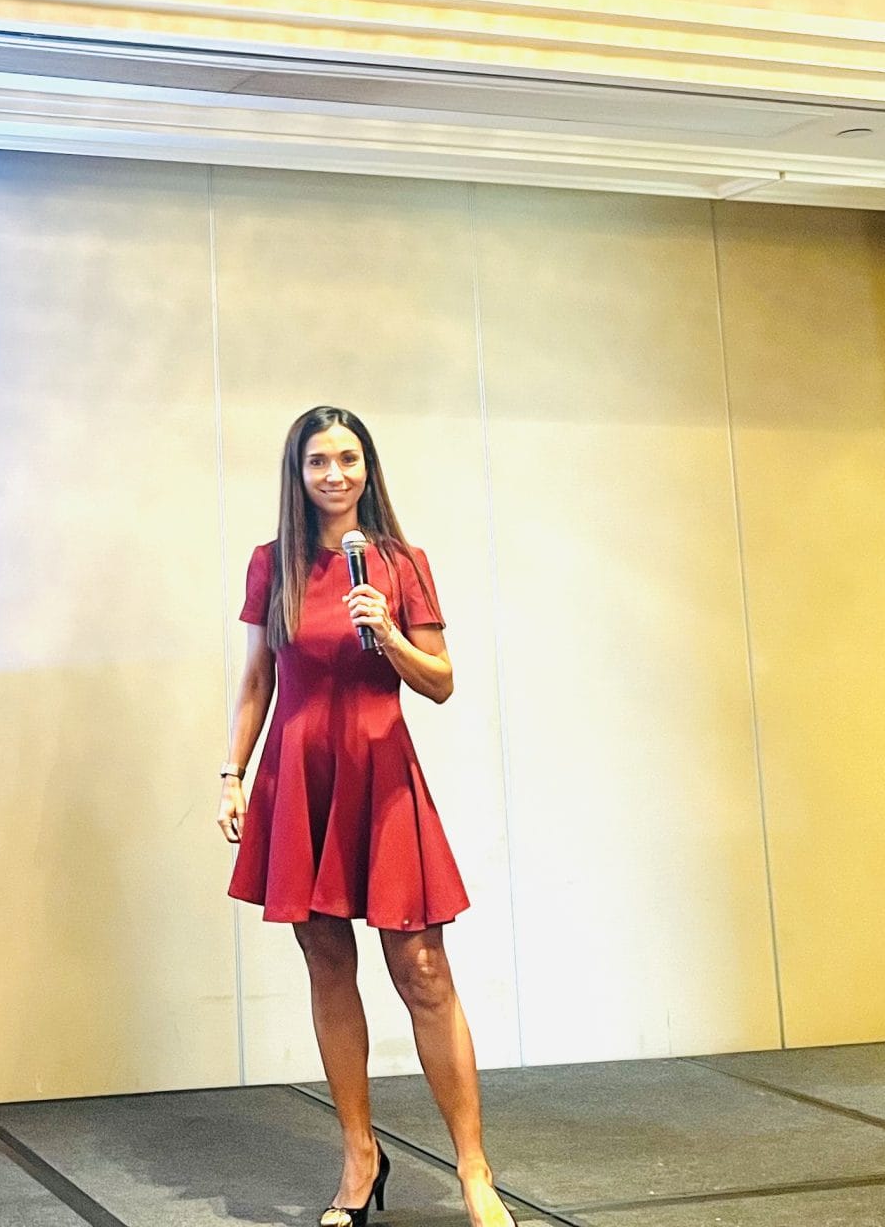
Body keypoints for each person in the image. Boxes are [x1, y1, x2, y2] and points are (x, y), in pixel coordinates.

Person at [218, 405, 512, 1227]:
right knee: (326, 964)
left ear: (368, 469)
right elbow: (256, 683)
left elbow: (441, 681)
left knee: (422, 970)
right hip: (299, 775)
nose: (335, 474)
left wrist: (388, 635)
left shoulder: (399, 563)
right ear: (299, 474)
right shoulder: (271, 564)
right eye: (319, 461)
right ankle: (358, 1155)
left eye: (349, 459)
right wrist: (232, 774)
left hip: (380, 776)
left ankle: (475, 1170)